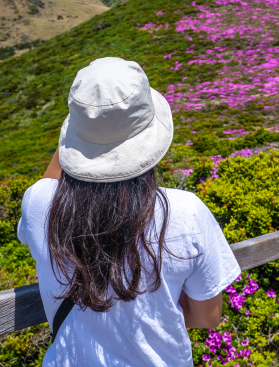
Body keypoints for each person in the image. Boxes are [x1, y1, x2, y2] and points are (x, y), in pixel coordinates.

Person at [17, 57, 241, 367]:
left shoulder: (39, 203)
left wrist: (82, 132)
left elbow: (50, 182)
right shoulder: (186, 212)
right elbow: (208, 317)